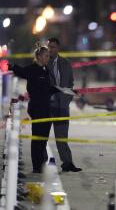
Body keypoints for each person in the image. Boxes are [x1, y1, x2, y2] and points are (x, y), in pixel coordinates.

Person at [9, 44, 56, 173]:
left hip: (46, 107)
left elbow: (46, 89)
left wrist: (59, 90)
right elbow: (21, 71)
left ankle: (42, 163)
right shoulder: (33, 69)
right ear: (39, 57)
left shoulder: (46, 70)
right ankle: (37, 167)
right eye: (46, 56)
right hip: (37, 108)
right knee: (37, 137)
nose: (48, 58)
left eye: (49, 56)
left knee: (44, 137)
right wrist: (11, 66)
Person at [47, 37, 82, 172]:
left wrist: (67, 99)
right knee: (42, 137)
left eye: (53, 47)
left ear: (58, 48)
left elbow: (71, 83)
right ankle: (40, 164)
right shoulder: (44, 63)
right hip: (48, 105)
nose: (51, 50)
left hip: (62, 106)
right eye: (49, 47)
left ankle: (67, 163)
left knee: (62, 137)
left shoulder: (66, 63)